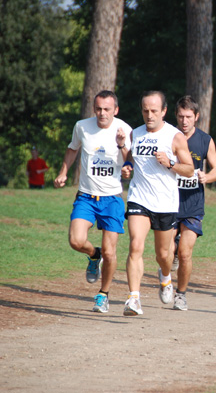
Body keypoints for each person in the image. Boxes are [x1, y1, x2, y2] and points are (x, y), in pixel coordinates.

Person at [54, 90, 132, 313]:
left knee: (110, 252)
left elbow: (131, 161)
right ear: (94, 108)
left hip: (112, 198)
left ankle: (103, 294)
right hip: (86, 196)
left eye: (107, 109)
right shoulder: (82, 126)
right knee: (76, 240)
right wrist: (63, 172)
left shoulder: (124, 129)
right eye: (98, 108)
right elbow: (72, 149)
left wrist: (121, 145)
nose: (102, 113)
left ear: (115, 110)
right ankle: (92, 254)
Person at [121, 91, 195, 316]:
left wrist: (171, 162)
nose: (149, 115)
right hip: (139, 198)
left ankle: (165, 277)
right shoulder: (135, 133)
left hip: (165, 204)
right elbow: (132, 158)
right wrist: (127, 166)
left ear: (163, 111)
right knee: (135, 245)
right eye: (145, 111)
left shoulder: (175, 136)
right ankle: (134, 299)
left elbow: (190, 170)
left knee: (163, 255)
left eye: (154, 111)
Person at [169, 95, 216, 311]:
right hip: (169, 203)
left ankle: (180, 295)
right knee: (165, 252)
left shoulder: (205, 140)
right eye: (180, 116)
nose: (184, 121)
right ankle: (169, 261)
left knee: (185, 253)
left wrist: (206, 178)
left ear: (196, 117)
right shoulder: (168, 137)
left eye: (188, 117)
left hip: (193, 205)